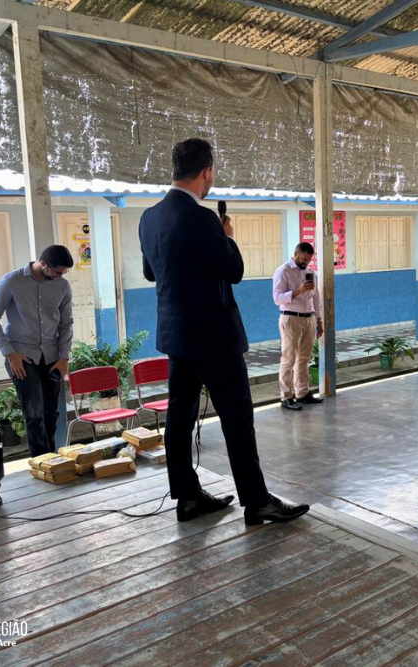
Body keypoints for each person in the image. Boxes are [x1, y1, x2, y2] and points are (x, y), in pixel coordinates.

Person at [139, 138, 308, 525]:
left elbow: (152, 273)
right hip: (213, 338)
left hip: (175, 337)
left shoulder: (149, 218)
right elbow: (233, 270)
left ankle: (187, 496)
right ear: (206, 172)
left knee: (179, 420)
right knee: (237, 418)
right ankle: (257, 502)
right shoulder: (201, 218)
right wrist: (226, 234)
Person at [0, 245, 74, 457]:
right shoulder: (11, 282)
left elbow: (66, 323)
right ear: (43, 264)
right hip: (22, 357)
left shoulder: (62, 285)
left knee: (51, 412)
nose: (60, 276)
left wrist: (64, 357)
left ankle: (51, 459)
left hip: (53, 357)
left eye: (64, 273)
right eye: (57, 272)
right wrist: (9, 352)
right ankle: (41, 462)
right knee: (34, 414)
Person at [272, 243, 325, 411]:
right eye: (303, 259)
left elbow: (316, 299)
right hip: (290, 318)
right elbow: (277, 298)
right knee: (288, 359)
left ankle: (302, 393)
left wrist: (319, 321)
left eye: (309, 260)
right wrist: (298, 290)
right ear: (296, 253)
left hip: (308, 318)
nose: (306, 263)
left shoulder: (310, 273)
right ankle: (286, 396)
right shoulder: (283, 271)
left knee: (304, 358)